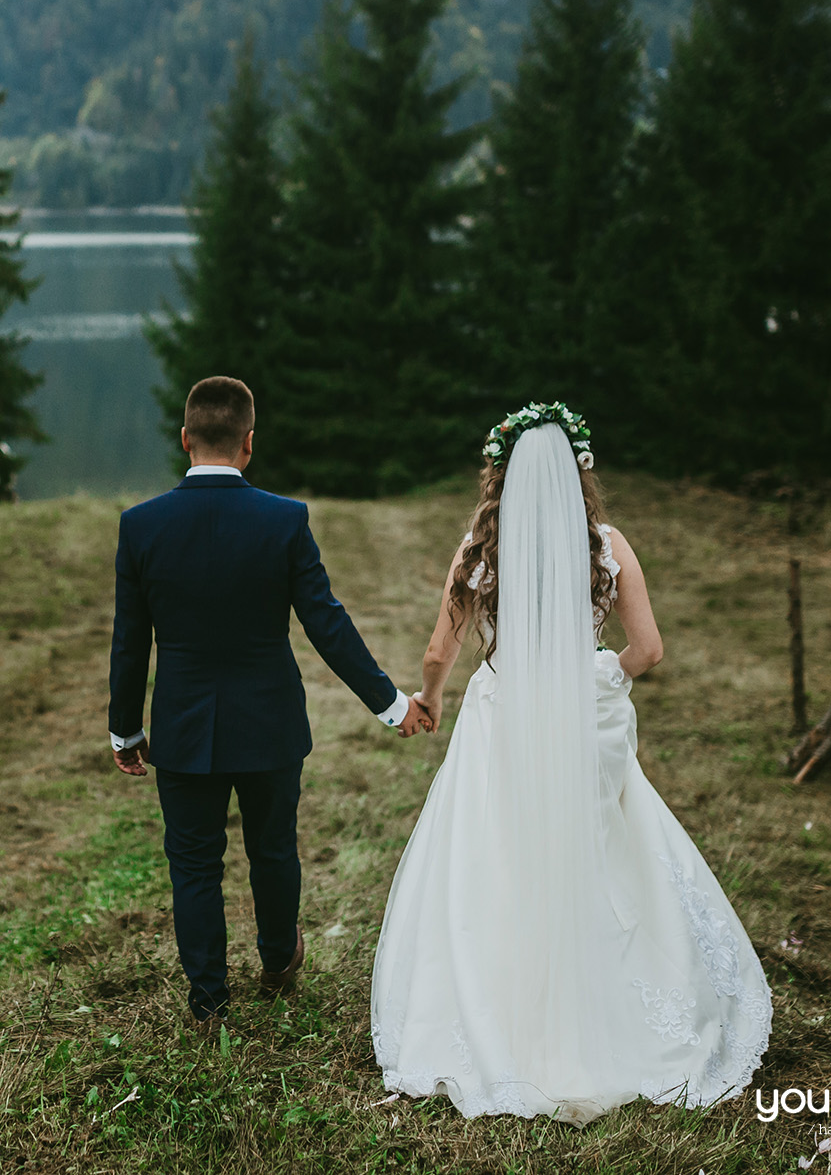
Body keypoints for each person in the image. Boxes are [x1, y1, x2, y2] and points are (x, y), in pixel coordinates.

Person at [369, 403, 771, 1124]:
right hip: (587, 719)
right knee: (603, 854)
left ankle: (500, 1010)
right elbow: (647, 650)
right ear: (581, 471)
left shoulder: (479, 550)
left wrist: (427, 700)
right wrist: (595, 674)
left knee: (496, 857)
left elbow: (438, 653)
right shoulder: (607, 545)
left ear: (503, 473)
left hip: (505, 718)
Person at [107, 376, 426, 1022]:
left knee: (193, 862)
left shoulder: (142, 526)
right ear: (249, 443)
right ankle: (279, 961)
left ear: (185, 438)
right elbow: (326, 624)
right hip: (269, 722)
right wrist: (390, 702)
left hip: (185, 724)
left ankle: (209, 998)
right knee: (273, 847)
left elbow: (130, 641)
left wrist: (125, 730)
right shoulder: (284, 519)